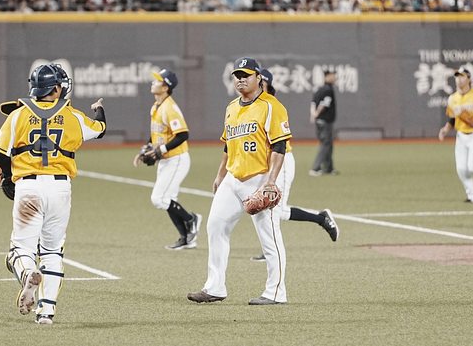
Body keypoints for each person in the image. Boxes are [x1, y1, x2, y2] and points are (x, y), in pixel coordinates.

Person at [0, 63, 106, 325]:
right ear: (55, 88)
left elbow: (1, 153)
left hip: (29, 187)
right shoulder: (72, 115)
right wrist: (98, 108)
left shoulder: (18, 114)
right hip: (60, 188)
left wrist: (7, 177)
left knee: (19, 251)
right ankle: (46, 312)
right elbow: (100, 128)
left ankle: (28, 274)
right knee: (53, 251)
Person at [187, 57, 291, 305]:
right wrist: (220, 175)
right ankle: (215, 287)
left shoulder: (271, 106)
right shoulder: (232, 107)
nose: (241, 79)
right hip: (233, 178)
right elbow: (228, 145)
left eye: (246, 75)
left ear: (258, 78)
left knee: (269, 237)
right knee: (215, 226)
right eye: (237, 75)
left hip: (259, 178)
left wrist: (271, 182)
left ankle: (276, 292)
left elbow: (279, 146)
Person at [250, 68, 339, 262]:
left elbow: (280, 143)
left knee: (275, 210)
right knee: (272, 210)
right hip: (267, 164)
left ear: (266, 85)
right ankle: (321, 218)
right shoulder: (253, 105)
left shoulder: (273, 106)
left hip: (282, 162)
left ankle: (271, 250)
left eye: (260, 81)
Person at [133, 69, 201, 250]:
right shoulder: (156, 106)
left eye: (158, 81)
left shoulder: (170, 108)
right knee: (168, 198)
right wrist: (147, 148)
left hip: (177, 159)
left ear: (165, 87)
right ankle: (186, 238)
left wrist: (160, 150)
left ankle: (191, 219)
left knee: (159, 199)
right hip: (166, 160)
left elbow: (183, 134)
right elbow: (155, 133)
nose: (153, 83)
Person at [438, 66, 473, 203]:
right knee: (461, 169)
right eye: (457, 76)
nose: (459, 79)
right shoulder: (452, 99)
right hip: (461, 135)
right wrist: (445, 129)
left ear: (469, 79)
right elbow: (452, 118)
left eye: (462, 76)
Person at [309, 69, 337, 176]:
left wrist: (313, 115)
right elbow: (324, 104)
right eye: (332, 76)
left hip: (320, 121)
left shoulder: (320, 89)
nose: (334, 78)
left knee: (328, 144)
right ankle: (315, 168)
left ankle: (328, 168)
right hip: (325, 121)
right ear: (327, 77)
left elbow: (313, 103)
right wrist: (316, 114)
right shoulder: (327, 89)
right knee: (325, 144)